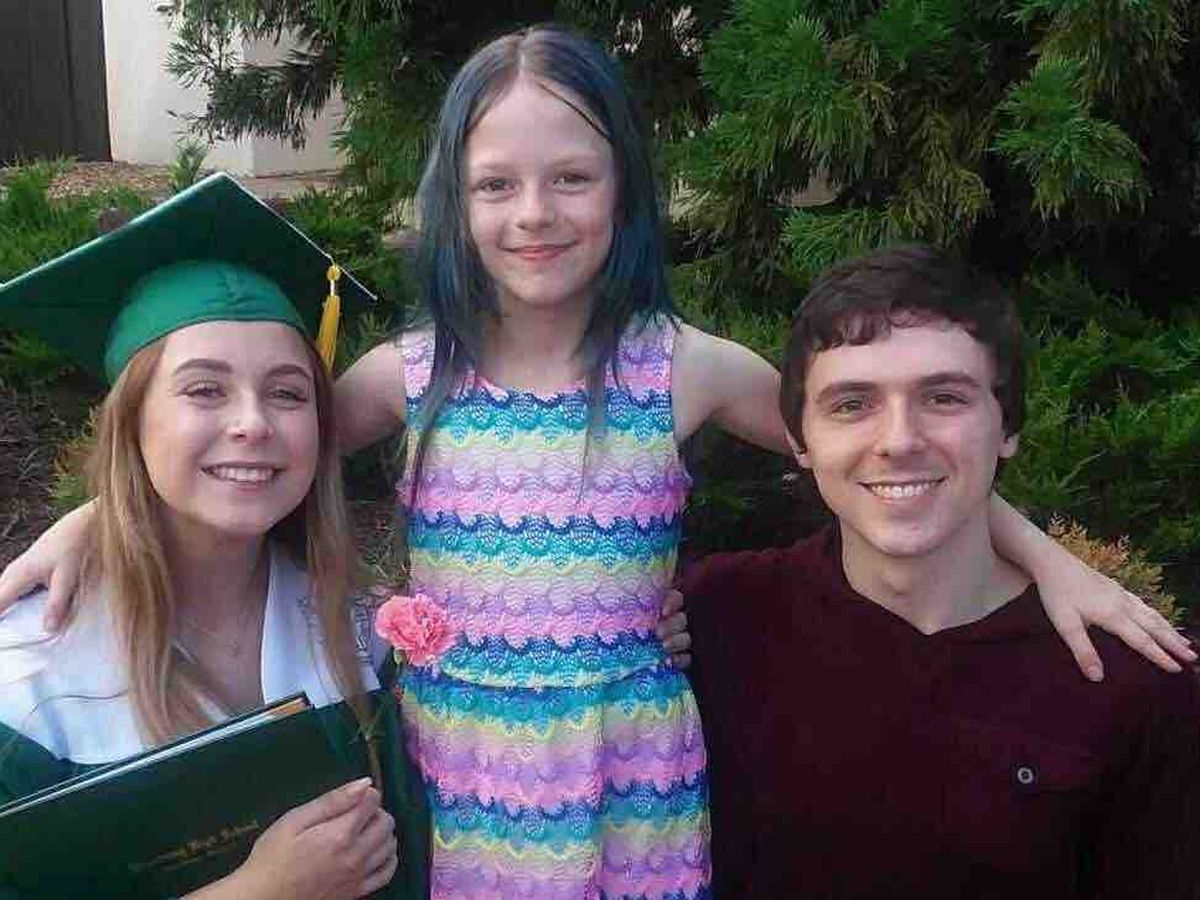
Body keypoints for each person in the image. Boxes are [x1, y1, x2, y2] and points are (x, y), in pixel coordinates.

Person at [1, 24, 1194, 900]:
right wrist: (94, 521)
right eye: (497, 185)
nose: (535, 212)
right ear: (455, 200)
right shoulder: (409, 374)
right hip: (457, 763)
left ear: (624, 187)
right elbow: (247, 463)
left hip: (630, 772)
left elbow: (878, 463)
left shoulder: (688, 369)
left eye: (572, 177)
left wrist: (1045, 557)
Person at [682, 243, 1200, 898]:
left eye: (944, 397)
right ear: (800, 440)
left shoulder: (1127, 681)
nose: (899, 441)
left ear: (1007, 427)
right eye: (852, 404)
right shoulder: (713, 620)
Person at [0, 173, 429, 899]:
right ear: (132, 423)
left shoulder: (364, 636)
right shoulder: (30, 682)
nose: (253, 423)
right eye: (204, 389)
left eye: (288, 393)